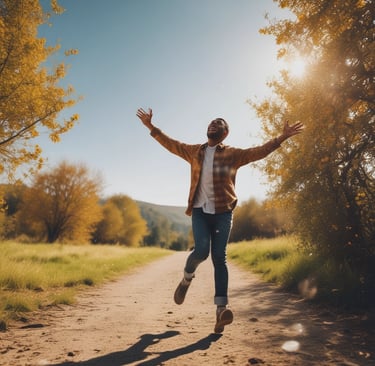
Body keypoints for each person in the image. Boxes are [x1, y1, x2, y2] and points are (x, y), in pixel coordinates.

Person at [136, 107, 303, 333]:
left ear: (225, 134)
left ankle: (220, 311)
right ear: (208, 129)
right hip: (199, 211)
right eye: (212, 121)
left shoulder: (233, 154)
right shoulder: (195, 152)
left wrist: (281, 137)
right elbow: (171, 144)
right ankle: (186, 279)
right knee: (202, 250)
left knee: (219, 258)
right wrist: (151, 127)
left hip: (224, 212)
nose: (214, 123)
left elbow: (258, 151)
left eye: (219, 123)